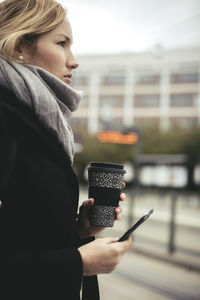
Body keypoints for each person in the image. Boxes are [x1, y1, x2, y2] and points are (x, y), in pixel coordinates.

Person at [0, 0, 132, 299]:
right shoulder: (6, 118)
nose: (73, 61)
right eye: (62, 44)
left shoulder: (39, 122)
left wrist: (76, 231)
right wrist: (76, 263)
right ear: (19, 45)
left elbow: (17, 233)